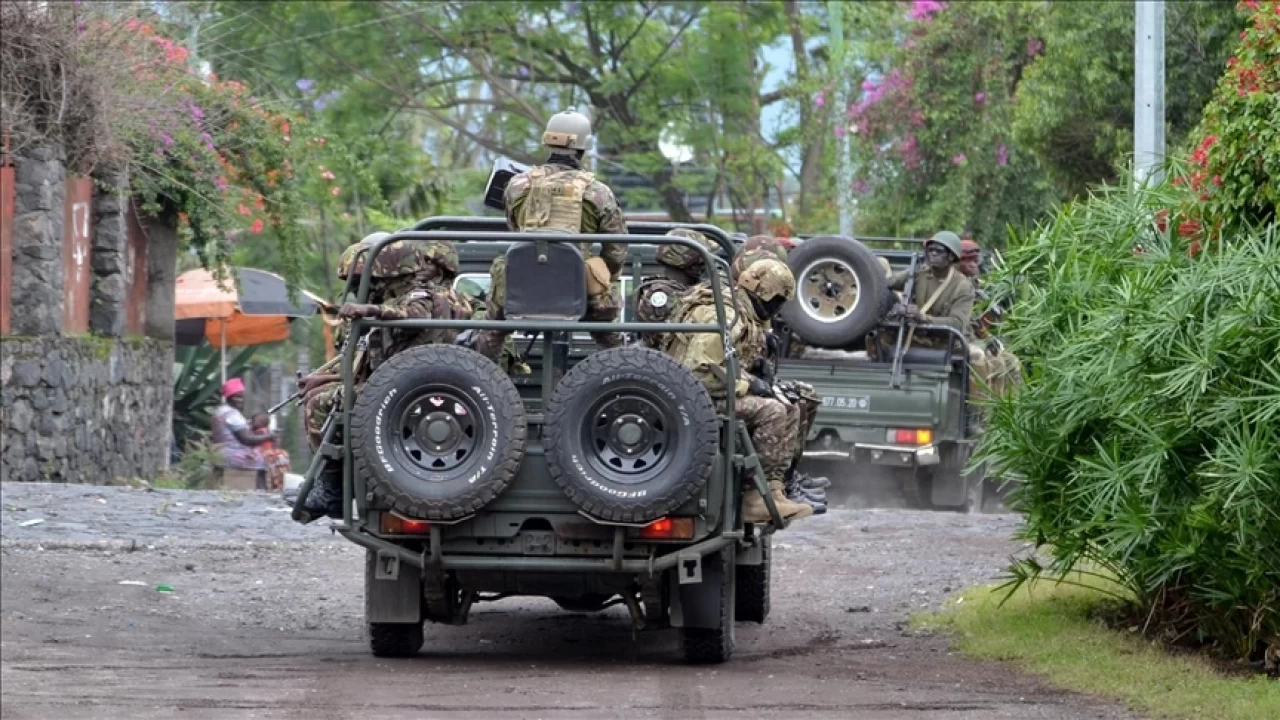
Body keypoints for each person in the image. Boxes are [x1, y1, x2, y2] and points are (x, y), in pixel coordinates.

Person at [297, 238, 471, 521]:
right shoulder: (451, 296)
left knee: (318, 405)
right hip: (414, 387)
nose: (362, 289)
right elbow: (369, 363)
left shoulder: (423, 297)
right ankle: (332, 486)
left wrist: (373, 312)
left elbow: (416, 313)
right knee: (325, 393)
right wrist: (328, 377)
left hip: (407, 390)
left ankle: (333, 492)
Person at [472, 108, 629, 363]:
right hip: (575, 285)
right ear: (583, 147)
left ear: (548, 141)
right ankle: (627, 371)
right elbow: (618, 248)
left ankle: (479, 374)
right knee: (609, 332)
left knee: (492, 328)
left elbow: (515, 231)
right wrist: (603, 273)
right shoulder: (598, 192)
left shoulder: (516, 185)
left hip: (522, 282)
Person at [664, 258, 813, 524]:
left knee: (790, 405)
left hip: (708, 394)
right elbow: (697, 374)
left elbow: (724, 364)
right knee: (773, 412)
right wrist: (749, 385)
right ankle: (755, 498)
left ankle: (774, 491)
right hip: (690, 401)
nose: (777, 309)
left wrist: (758, 374)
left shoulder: (743, 312)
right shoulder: (723, 315)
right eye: (776, 301)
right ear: (761, 292)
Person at [632, 228, 716, 349]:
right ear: (689, 261)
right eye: (701, 260)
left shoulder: (683, 289)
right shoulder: (662, 294)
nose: (704, 264)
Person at [958, 238, 1022, 397]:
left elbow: (979, 322)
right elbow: (966, 321)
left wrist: (989, 338)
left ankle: (1009, 407)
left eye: (975, 260)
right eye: (968, 261)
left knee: (1011, 361)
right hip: (962, 339)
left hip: (972, 337)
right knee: (998, 364)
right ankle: (984, 411)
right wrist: (985, 341)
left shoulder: (973, 283)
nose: (974, 264)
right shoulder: (957, 285)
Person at [211, 378, 277, 490]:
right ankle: (262, 490)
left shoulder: (221, 411)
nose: (240, 400)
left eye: (241, 397)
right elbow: (246, 439)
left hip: (220, 452)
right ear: (228, 397)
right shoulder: (232, 414)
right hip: (231, 455)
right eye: (237, 397)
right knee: (268, 459)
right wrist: (269, 436)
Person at [251, 413, 290, 492]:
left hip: (265, 452)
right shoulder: (264, 431)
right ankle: (266, 487)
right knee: (262, 472)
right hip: (264, 452)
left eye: (254, 421)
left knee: (262, 472)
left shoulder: (263, 431)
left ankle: (263, 487)